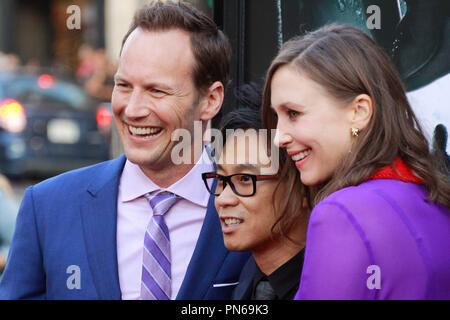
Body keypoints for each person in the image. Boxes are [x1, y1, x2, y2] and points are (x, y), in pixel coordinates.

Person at [0, 1, 249, 300]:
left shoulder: (255, 208)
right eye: (124, 86)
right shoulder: (48, 207)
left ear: (210, 100)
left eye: (157, 90)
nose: (132, 109)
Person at [262, 24, 450, 299]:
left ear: (359, 112)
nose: (279, 138)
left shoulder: (341, 214)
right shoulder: (435, 199)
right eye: (276, 116)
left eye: (293, 113)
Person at [202, 84, 310, 300]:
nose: (223, 199)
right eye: (221, 180)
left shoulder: (332, 286)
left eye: (244, 179)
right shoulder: (245, 282)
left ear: (302, 187)